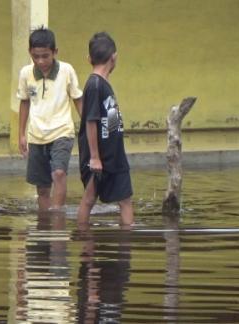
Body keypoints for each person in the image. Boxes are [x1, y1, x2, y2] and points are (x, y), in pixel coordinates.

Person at [16, 27, 83, 211]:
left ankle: (57, 218)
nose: (40, 61)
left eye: (45, 56)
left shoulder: (67, 70)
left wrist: (86, 129)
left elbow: (77, 99)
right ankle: (45, 224)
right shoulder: (25, 73)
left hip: (62, 132)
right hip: (36, 135)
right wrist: (21, 134)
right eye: (35, 56)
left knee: (59, 173)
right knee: (42, 187)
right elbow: (24, 103)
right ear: (30, 53)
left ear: (55, 52)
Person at [77, 32, 134, 226]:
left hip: (114, 154)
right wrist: (94, 157)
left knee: (125, 200)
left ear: (89, 59)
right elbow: (91, 121)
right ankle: (85, 244)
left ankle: (124, 248)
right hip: (99, 157)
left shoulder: (103, 85)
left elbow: (108, 120)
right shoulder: (94, 85)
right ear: (114, 57)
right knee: (89, 200)